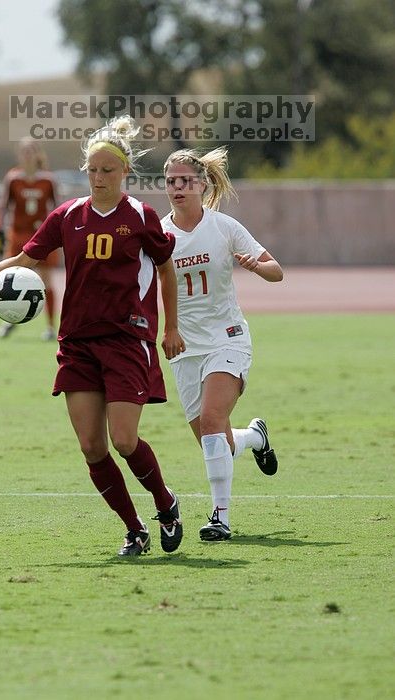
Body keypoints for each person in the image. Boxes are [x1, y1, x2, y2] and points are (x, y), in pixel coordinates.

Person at [0, 116, 185, 557]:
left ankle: (166, 504)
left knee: (124, 441)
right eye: (92, 170)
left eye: (107, 171)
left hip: (127, 340)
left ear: (124, 172)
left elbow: (166, 269)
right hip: (77, 342)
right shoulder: (69, 215)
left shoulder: (141, 217)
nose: (98, 178)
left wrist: (170, 326)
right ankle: (135, 530)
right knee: (93, 447)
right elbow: (28, 255)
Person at [161, 146, 283, 541]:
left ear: (201, 184)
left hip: (227, 338)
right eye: (171, 181)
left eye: (185, 181)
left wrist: (255, 265)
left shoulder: (224, 227)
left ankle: (220, 517)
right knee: (217, 443)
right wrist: (166, 329)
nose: (177, 188)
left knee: (214, 423)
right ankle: (255, 437)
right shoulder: (160, 235)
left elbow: (276, 271)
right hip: (184, 348)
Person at [0, 137, 59, 340]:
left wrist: (58, 234)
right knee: (11, 279)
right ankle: (10, 319)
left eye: (31, 150)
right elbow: (3, 206)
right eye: (24, 151)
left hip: (41, 236)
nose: (28, 154)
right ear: (19, 154)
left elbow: (58, 209)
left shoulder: (48, 179)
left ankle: (50, 327)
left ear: (38, 154)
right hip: (18, 235)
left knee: (46, 280)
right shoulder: (13, 178)